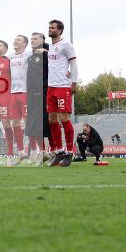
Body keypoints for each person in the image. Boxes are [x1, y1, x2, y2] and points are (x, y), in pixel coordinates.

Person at [46, 20, 78, 167]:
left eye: (52, 28)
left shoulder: (66, 45)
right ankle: (59, 151)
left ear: (59, 30)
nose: (50, 29)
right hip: (51, 87)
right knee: (52, 119)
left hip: (63, 87)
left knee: (64, 118)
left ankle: (70, 152)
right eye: (49, 27)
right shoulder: (51, 46)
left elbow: (74, 63)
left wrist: (74, 82)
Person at [25, 32, 51, 166]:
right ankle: (42, 152)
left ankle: (55, 152)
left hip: (45, 93)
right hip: (32, 95)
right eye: (31, 39)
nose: (32, 41)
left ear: (42, 40)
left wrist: (47, 52)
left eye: (35, 39)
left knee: (48, 124)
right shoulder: (31, 56)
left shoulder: (49, 52)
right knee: (33, 125)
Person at [7, 34, 29, 164]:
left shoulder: (28, 53)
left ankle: (37, 151)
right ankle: (21, 151)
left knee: (28, 124)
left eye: (18, 40)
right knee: (15, 123)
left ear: (25, 44)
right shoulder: (9, 56)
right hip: (13, 94)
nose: (15, 41)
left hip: (25, 92)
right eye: (14, 39)